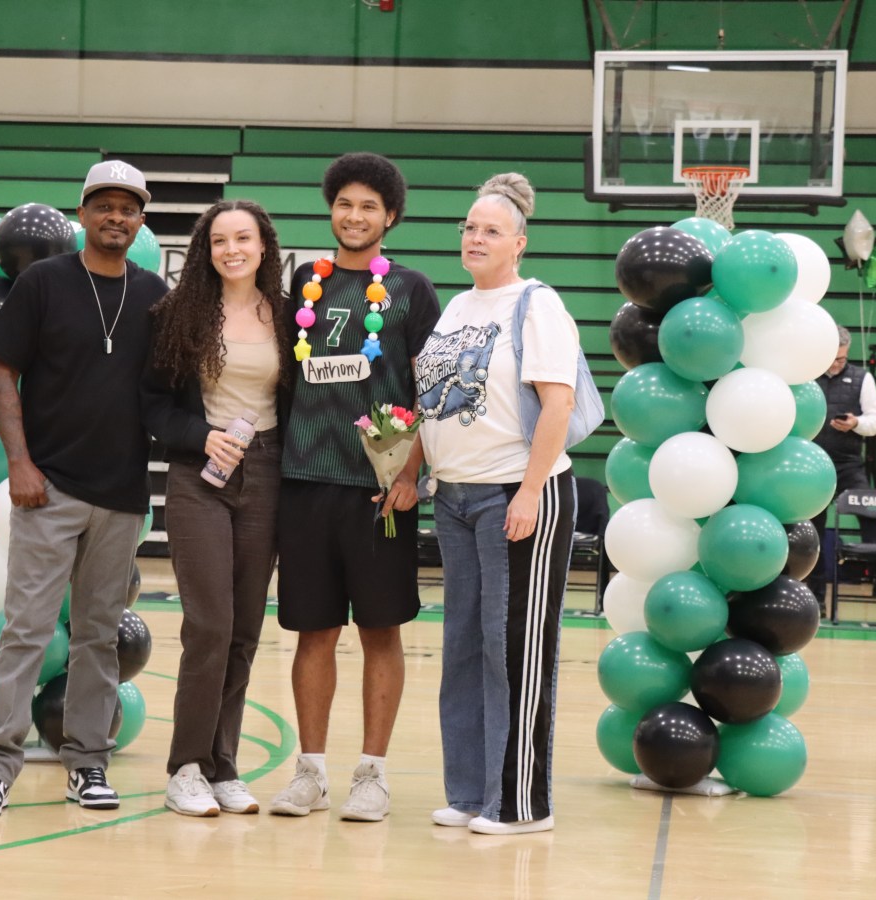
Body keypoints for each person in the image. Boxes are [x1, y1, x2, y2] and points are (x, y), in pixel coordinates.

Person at [0, 160, 167, 817]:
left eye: (127, 208)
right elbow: (1, 372)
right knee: (26, 631)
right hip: (47, 489)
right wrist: (19, 463)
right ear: (83, 214)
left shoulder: (154, 294)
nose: (115, 217)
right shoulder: (45, 282)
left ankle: (87, 764)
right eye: (104, 205)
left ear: (140, 220)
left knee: (98, 638)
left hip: (122, 496)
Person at [269, 153, 440, 822]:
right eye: (345, 203)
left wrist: (411, 471)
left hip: (378, 493)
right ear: (331, 209)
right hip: (305, 484)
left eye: (369, 206)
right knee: (312, 633)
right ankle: (310, 773)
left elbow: (432, 390)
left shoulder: (411, 289)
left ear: (389, 216)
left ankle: (373, 774)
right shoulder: (305, 283)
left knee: (379, 630)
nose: (355, 215)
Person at [415, 173, 578, 836]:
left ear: (519, 243)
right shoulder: (456, 307)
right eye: (469, 228)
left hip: (517, 493)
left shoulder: (537, 305)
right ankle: (469, 792)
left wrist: (531, 491)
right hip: (454, 498)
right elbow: (434, 403)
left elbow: (558, 404)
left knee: (514, 650)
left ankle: (519, 805)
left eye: (491, 230)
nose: (476, 238)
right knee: (463, 647)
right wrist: (413, 469)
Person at [142, 200, 290, 817]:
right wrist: (201, 436)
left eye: (243, 238)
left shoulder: (290, 315)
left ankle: (223, 765)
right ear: (205, 249)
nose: (232, 250)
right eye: (220, 240)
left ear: (264, 246)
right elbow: (153, 406)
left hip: (268, 472)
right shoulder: (178, 314)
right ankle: (186, 767)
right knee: (209, 624)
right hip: (199, 477)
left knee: (245, 629)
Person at [807, 325, 876, 605]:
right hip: (813, 466)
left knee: (871, 516)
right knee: (813, 530)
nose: (835, 364)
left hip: (848, 464)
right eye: (832, 358)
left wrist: (856, 423)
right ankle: (816, 596)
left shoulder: (862, 378)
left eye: (841, 359)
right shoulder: (806, 376)